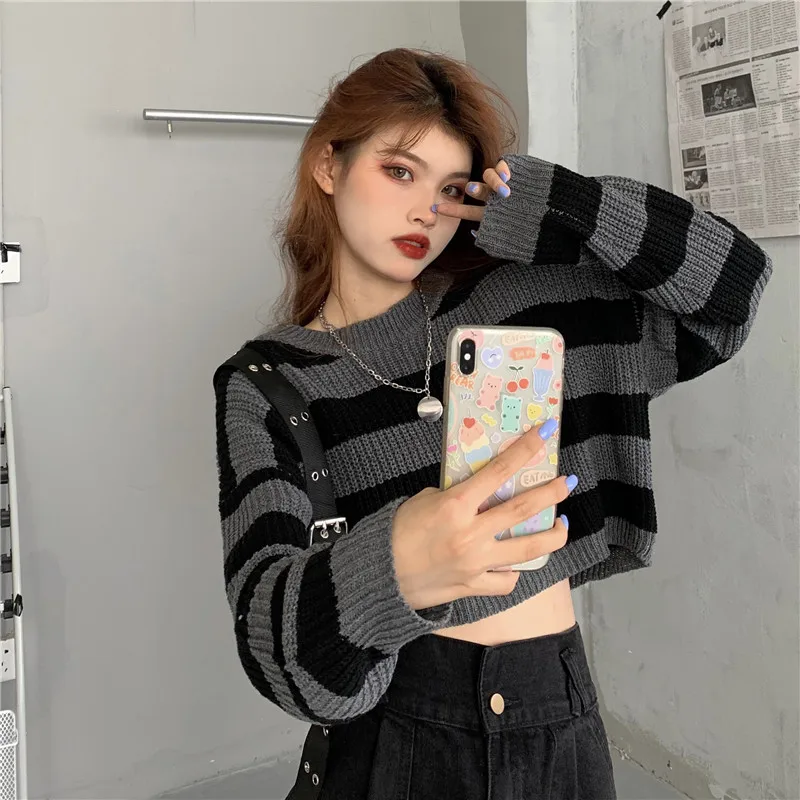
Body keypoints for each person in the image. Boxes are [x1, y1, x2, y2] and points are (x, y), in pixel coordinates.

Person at [213, 48, 772, 799]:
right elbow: (276, 649)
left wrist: (565, 203)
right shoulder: (268, 382)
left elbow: (734, 288)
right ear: (328, 166)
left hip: (556, 703)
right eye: (400, 171)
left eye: (451, 188)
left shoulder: (526, 306)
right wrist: (396, 567)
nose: (427, 211)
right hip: (397, 725)